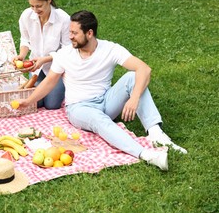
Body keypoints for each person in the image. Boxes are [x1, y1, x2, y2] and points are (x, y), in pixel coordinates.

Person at [18, 10, 187, 171]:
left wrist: (134, 98)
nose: (70, 37)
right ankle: (146, 154)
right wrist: (29, 101)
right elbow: (49, 82)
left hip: (106, 101)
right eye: (70, 32)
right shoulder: (64, 54)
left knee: (131, 77)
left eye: (74, 33)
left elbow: (144, 69)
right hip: (79, 108)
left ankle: (155, 133)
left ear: (89, 33)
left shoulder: (110, 49)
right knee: (99, 119)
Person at [13, 0, 71, 110]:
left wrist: (45, 59)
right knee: (36, 103)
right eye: (32, 6)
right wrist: (22, 55)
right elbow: (25, 40)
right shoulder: (26, 16)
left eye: (39, 6)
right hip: (36, 68)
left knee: (52, 104)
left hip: (57, 67)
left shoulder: (64, 19)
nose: (35, 10)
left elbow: (68, 50)